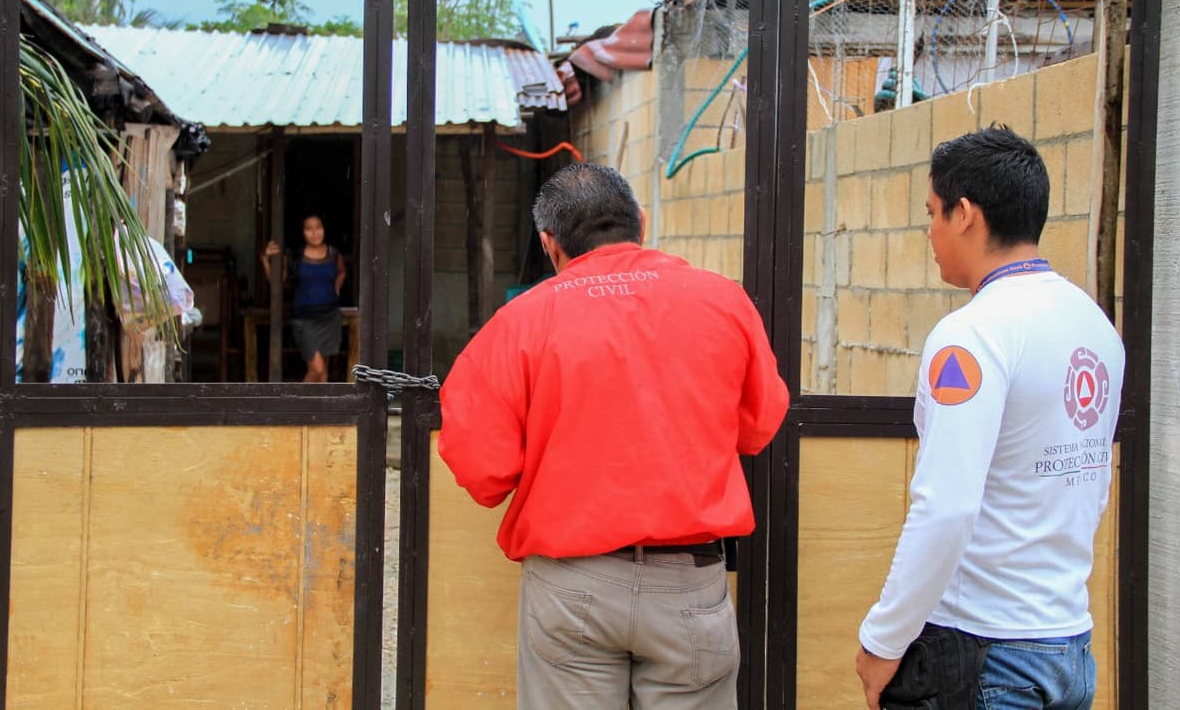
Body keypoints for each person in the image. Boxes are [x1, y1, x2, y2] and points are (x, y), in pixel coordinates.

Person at [437, 163, 790, 709]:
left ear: (549, 244)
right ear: (641, 223)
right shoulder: (723, 301)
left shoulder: (520, 320)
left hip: (572, 587)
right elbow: (759, 425)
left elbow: (483, 470)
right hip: (689, 587)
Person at [855, 126, 1125, 709]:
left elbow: (946, 506)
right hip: (1068, 648)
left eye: (933, 213)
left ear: (966, 214)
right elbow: (1091, 488)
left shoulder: (971, 335)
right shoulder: (1095, 326)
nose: (929, 231)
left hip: (986, 653)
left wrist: (884, 638)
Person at [261, 213, 346, 383]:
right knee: (317, 369)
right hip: (305, 320)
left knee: (324, 372)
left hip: (329, 317)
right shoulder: (296, 256)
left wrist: (337, 286)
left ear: (324, 229)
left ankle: (319, 402)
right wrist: (265, 258)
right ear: (302, 232)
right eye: (309, 229)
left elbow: (342, 271)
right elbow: (277, 282)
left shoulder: (333, 253)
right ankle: (299, 400)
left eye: (318, 227)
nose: (315, 233)